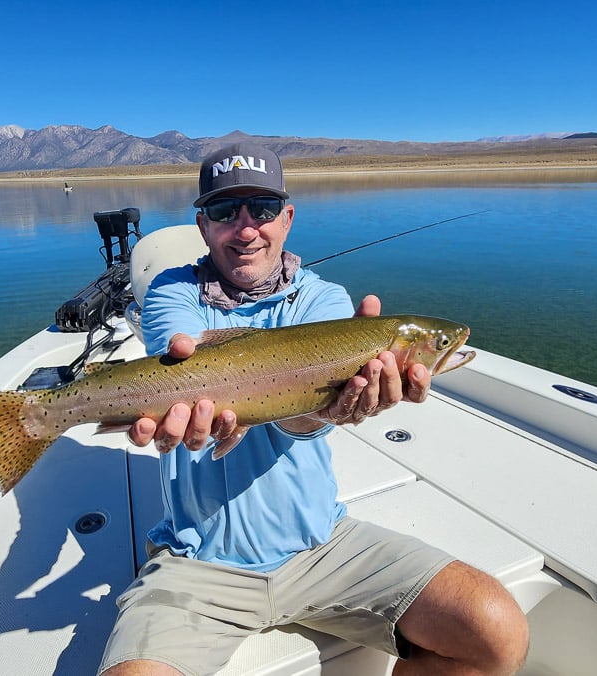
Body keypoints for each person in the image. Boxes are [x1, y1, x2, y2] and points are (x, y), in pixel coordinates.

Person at [99, 142, 528, 675]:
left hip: (321, 546)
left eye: (261, 209)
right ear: (203, 226)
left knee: (494, 630)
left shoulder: (325, 301)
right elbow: (183, 357)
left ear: (287, 218)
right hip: (197, 561)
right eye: (223, 211)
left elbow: (304, 418)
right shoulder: (171, 290)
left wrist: (330, 411)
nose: (246, 227)